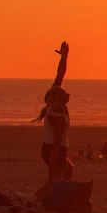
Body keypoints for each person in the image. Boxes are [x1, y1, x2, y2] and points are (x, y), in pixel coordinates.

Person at [33, 42, 72, 200]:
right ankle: (33, 200)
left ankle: (61, 197)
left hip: (52, 148)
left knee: (68, 171)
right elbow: (56, 146)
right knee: (53, 181)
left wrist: (64, 57)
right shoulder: (57, 118)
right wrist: (51, 164)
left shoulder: (55, 104)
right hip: (53, 150)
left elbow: (59, 75)